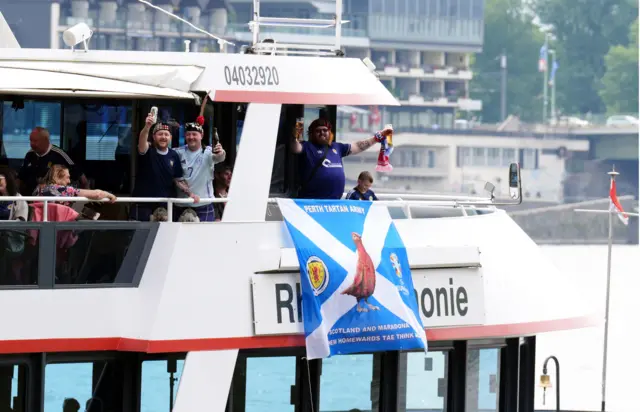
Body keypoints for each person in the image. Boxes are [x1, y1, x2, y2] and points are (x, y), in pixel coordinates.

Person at [290, 118, 391, 199]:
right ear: (311, 134)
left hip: (334, 203)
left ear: (329, 132)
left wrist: (376, 138)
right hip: (311, 202)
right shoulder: (307, 146)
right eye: (318, 131)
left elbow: (358, 146)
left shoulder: (337, 147)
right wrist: (295, 136)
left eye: (325, 130)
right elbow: (295, 147)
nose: (322, 133)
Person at [129, 112, 198, 221]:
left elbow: (178, 180)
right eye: (160, 134)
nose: (163, 137)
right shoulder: (148, 150)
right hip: (143, 205)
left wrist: (190, 193)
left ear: (170, 137)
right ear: (154, 136)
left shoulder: (174, 155)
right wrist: (147, 127)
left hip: (166, 207)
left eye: (166, 134)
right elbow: (142, 142)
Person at [173, 118, 226, 221]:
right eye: (188, 134)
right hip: (181, 204)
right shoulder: (178, 152)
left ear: (201, 135)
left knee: (205, 237)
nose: (191, 137)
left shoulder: (209, 151)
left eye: (194, 134)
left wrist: (221, 152)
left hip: (204, 204)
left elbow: (219, 157)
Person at [17, 126, 88, 196]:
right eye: (31, 141)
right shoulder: (30, 155)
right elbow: (20, 178)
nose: (32, 144)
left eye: (35, 141)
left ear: (46, 140)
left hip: (53, 200)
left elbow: (81, 178)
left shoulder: (59, 155)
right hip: (31, 200)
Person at [33, 164, 116, 211]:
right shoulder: (61, 190)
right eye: (67, 177)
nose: (69, 181)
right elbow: (97, 194)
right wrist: (109, 195)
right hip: (55, 231)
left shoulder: (38, 189)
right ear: (57, 177)